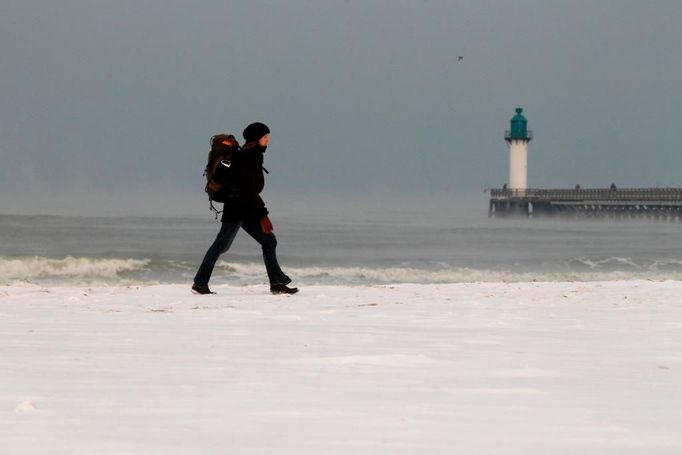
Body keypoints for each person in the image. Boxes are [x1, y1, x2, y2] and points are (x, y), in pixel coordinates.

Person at [192, 122, 298, 295]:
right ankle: (200, 283)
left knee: (268, 241)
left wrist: (260, 211)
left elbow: (250, 191)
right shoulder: (247, 157)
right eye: (265, 137)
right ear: (256, 139)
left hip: (244, 208)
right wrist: (263, 214)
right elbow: (248, 190)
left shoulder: (251, 155)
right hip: (237, 208)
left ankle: (277, 283)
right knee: (221, 245)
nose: (268, 141)